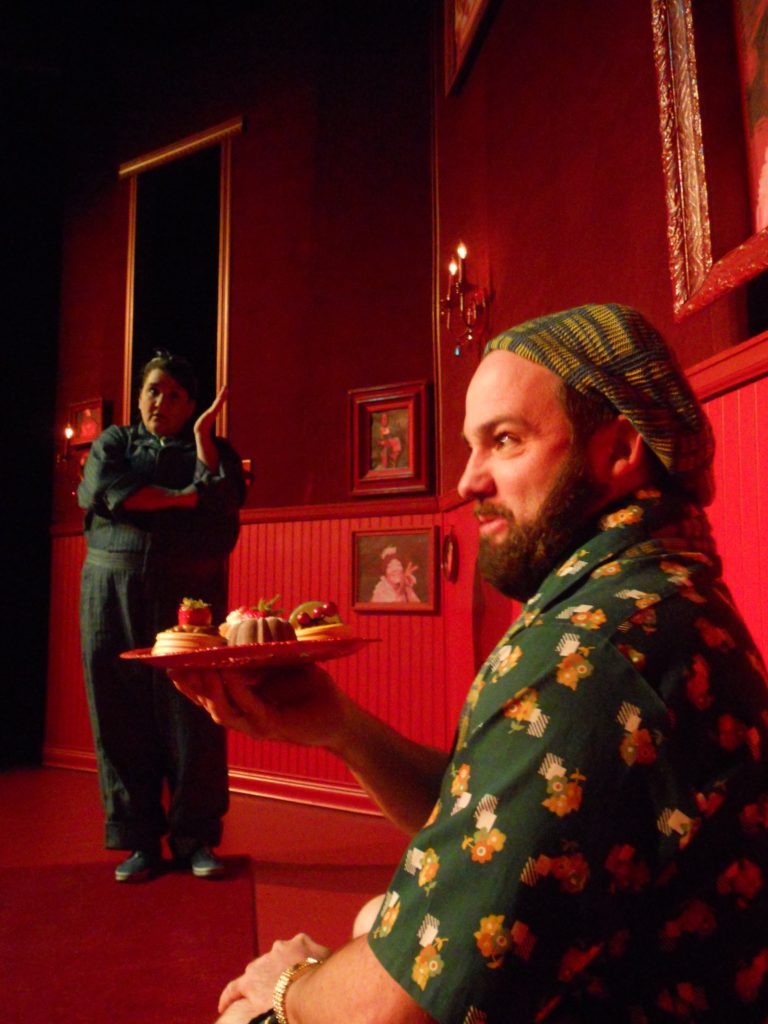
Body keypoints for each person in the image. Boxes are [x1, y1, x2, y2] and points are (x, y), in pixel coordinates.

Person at [171, 305, 768, 1023]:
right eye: (470, 446)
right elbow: (495, 822)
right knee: (374, 920)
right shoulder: (655, 591)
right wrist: (342, 728)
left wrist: (288, 985)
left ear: (617, 451)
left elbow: (398, 1010)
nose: (466, 481)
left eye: (504, 441)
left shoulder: (597, 650)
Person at [79, 350, 246, 883]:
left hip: (188, 596)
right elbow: (108, 493)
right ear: (139, 397)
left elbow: (223, 511)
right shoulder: (113, 444)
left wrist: (201, 444)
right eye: (154, 390)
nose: (161, 402)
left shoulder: (214, 450)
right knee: (119, 711)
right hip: (111, 593)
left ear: (193, 405)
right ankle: (140, 842)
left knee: (193, 713)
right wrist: (182, 499)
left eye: (175, 395)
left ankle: (195, 838)